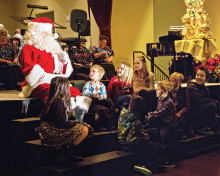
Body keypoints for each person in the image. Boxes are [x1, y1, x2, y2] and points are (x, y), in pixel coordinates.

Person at [19, 17, 91, 120]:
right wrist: (50, 78)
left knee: (74, 91)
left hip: (57, 81)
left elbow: (64, 72)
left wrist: (65, 61)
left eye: (49, 33)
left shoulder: (53, 49)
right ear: (35, 33)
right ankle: (60, 120)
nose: (48, 35)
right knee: (54, 93)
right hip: (37, 83)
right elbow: (28, 69)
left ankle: (77, 118)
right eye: (44, 32)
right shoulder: (28, 48)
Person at [39, 77, 92, 166]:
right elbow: (61, 124)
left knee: (83, 126)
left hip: (48, 129)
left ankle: (67, 153)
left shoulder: (53, 99)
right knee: (84, 130)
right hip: (51, 131)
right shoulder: (59, 101)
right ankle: (65, 154)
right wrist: (75, 123)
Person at [118, 95, 167, 175]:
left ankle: (151, 157)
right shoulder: (137, 122)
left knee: (154, 131)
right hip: (130, 144)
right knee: (160, 148)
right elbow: (139, 136)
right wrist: (146, 138)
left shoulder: (123, 111)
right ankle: (146, 165)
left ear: (130, 105)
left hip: (123, 140)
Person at [184, 66, 220, 134]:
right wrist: (213, 101)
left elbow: (206, 99)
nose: (198, 77)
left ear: (206, 78)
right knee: (212, 105)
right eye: (197, 75)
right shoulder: (191, 86)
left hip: (201, 109)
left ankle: (209, 125)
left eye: (202, 76)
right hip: (192, 110)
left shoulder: (204, 88)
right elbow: (198, 100)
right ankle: (201, 128)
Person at [82, 65, 114, 130]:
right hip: (92, 102)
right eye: (90, 71)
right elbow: (85, 93)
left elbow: (104, 94)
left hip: (100, 101)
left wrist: (102, 96)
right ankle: (102, 125)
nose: (91, 73)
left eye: (93, 71)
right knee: (102, 109)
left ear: (99, 75)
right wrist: (93, 95)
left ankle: (111, 122)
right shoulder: (88, 84)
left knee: (109, 102)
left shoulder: (101, 85)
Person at [146, 80, 177, 145]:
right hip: (161, 120)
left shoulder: (169, 102)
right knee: (150, 120)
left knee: (163, 138)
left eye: (158, 90)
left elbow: (160, 113)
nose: (156, 91)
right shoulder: (159, 99)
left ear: (165, 92)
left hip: (168, 123)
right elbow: (157, 110)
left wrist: (149, 114)